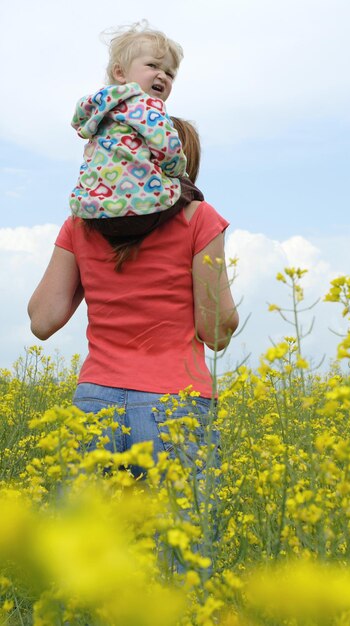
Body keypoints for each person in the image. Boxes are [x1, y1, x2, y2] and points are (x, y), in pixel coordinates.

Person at [27, 116, 239, 477]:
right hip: (175, 403)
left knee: (95, 534)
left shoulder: (81, 223)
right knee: (179, 534)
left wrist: (89, 260)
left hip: (95, 401)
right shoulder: (198, 218)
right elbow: (216, 332)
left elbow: (42, 320)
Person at [70, 21, 201, 245]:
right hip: (141, 210)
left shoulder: (102, 110)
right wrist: (176, 170)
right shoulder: (147, 105)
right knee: (191, 193)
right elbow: (168, 148)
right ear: (120, 72)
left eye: (170, 73)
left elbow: (78, 124)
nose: (163, 76)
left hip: (92, 211)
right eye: (153, 65)